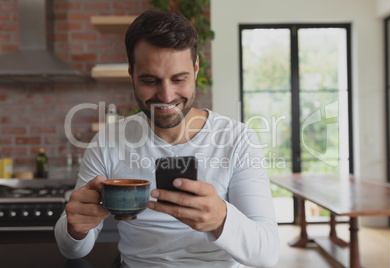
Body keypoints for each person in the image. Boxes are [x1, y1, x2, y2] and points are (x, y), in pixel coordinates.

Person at [55, 9, 279, 268]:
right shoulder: (108, 141)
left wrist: (221, 219)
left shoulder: (238, 139)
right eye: (150, 80)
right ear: (131, 74)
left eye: (178, 79)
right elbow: (71, 250)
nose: (166, 95)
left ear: (195, 69)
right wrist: (75, 228)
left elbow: (267, 253)